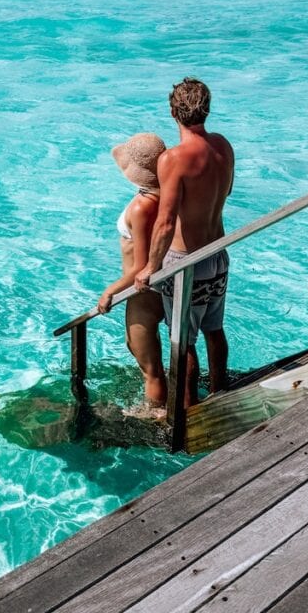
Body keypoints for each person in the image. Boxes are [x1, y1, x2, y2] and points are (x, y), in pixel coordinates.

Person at [135, 79, 234, 408]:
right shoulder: (223, 146)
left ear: (172, 112)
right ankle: (222, 394)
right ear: (207, 107)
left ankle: (188, 412)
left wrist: (150, 267)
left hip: (185, 262)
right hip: (218, 253)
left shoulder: (172, 159)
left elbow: (165, 222)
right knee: (214, 330)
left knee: (183, 343)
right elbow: (227, 192)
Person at [97, 133, 168, 409]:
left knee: (148, 365)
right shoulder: (166, 197)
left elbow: (140, 266)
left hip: (142, 292)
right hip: (162, 285)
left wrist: (110, 291)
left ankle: (158, 417)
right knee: (142, 350)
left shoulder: (142, 206)